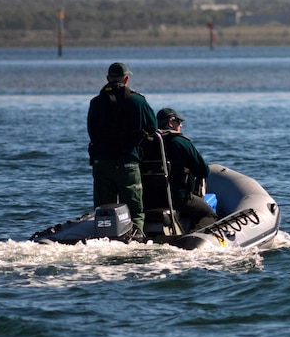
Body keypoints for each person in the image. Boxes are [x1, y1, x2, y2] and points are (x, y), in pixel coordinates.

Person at [87, 62, 157, 235]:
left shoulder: (96, 102)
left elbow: (92, 132)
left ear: (108, 79)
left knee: (104, 209)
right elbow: (153, 127)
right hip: (128, 163)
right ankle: (136, 238)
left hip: (102, 163)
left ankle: (104, 238)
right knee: (135, 211)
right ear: (126, 79)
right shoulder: (138, 101)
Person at [157, 108, 218, 231]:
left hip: (151, 198)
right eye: (178, 122)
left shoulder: (146, 142)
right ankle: (193, 239)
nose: (181, 125)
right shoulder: (181, 142)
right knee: (208, 214)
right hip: (179, 198)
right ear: (171, 122)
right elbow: (204, 171)